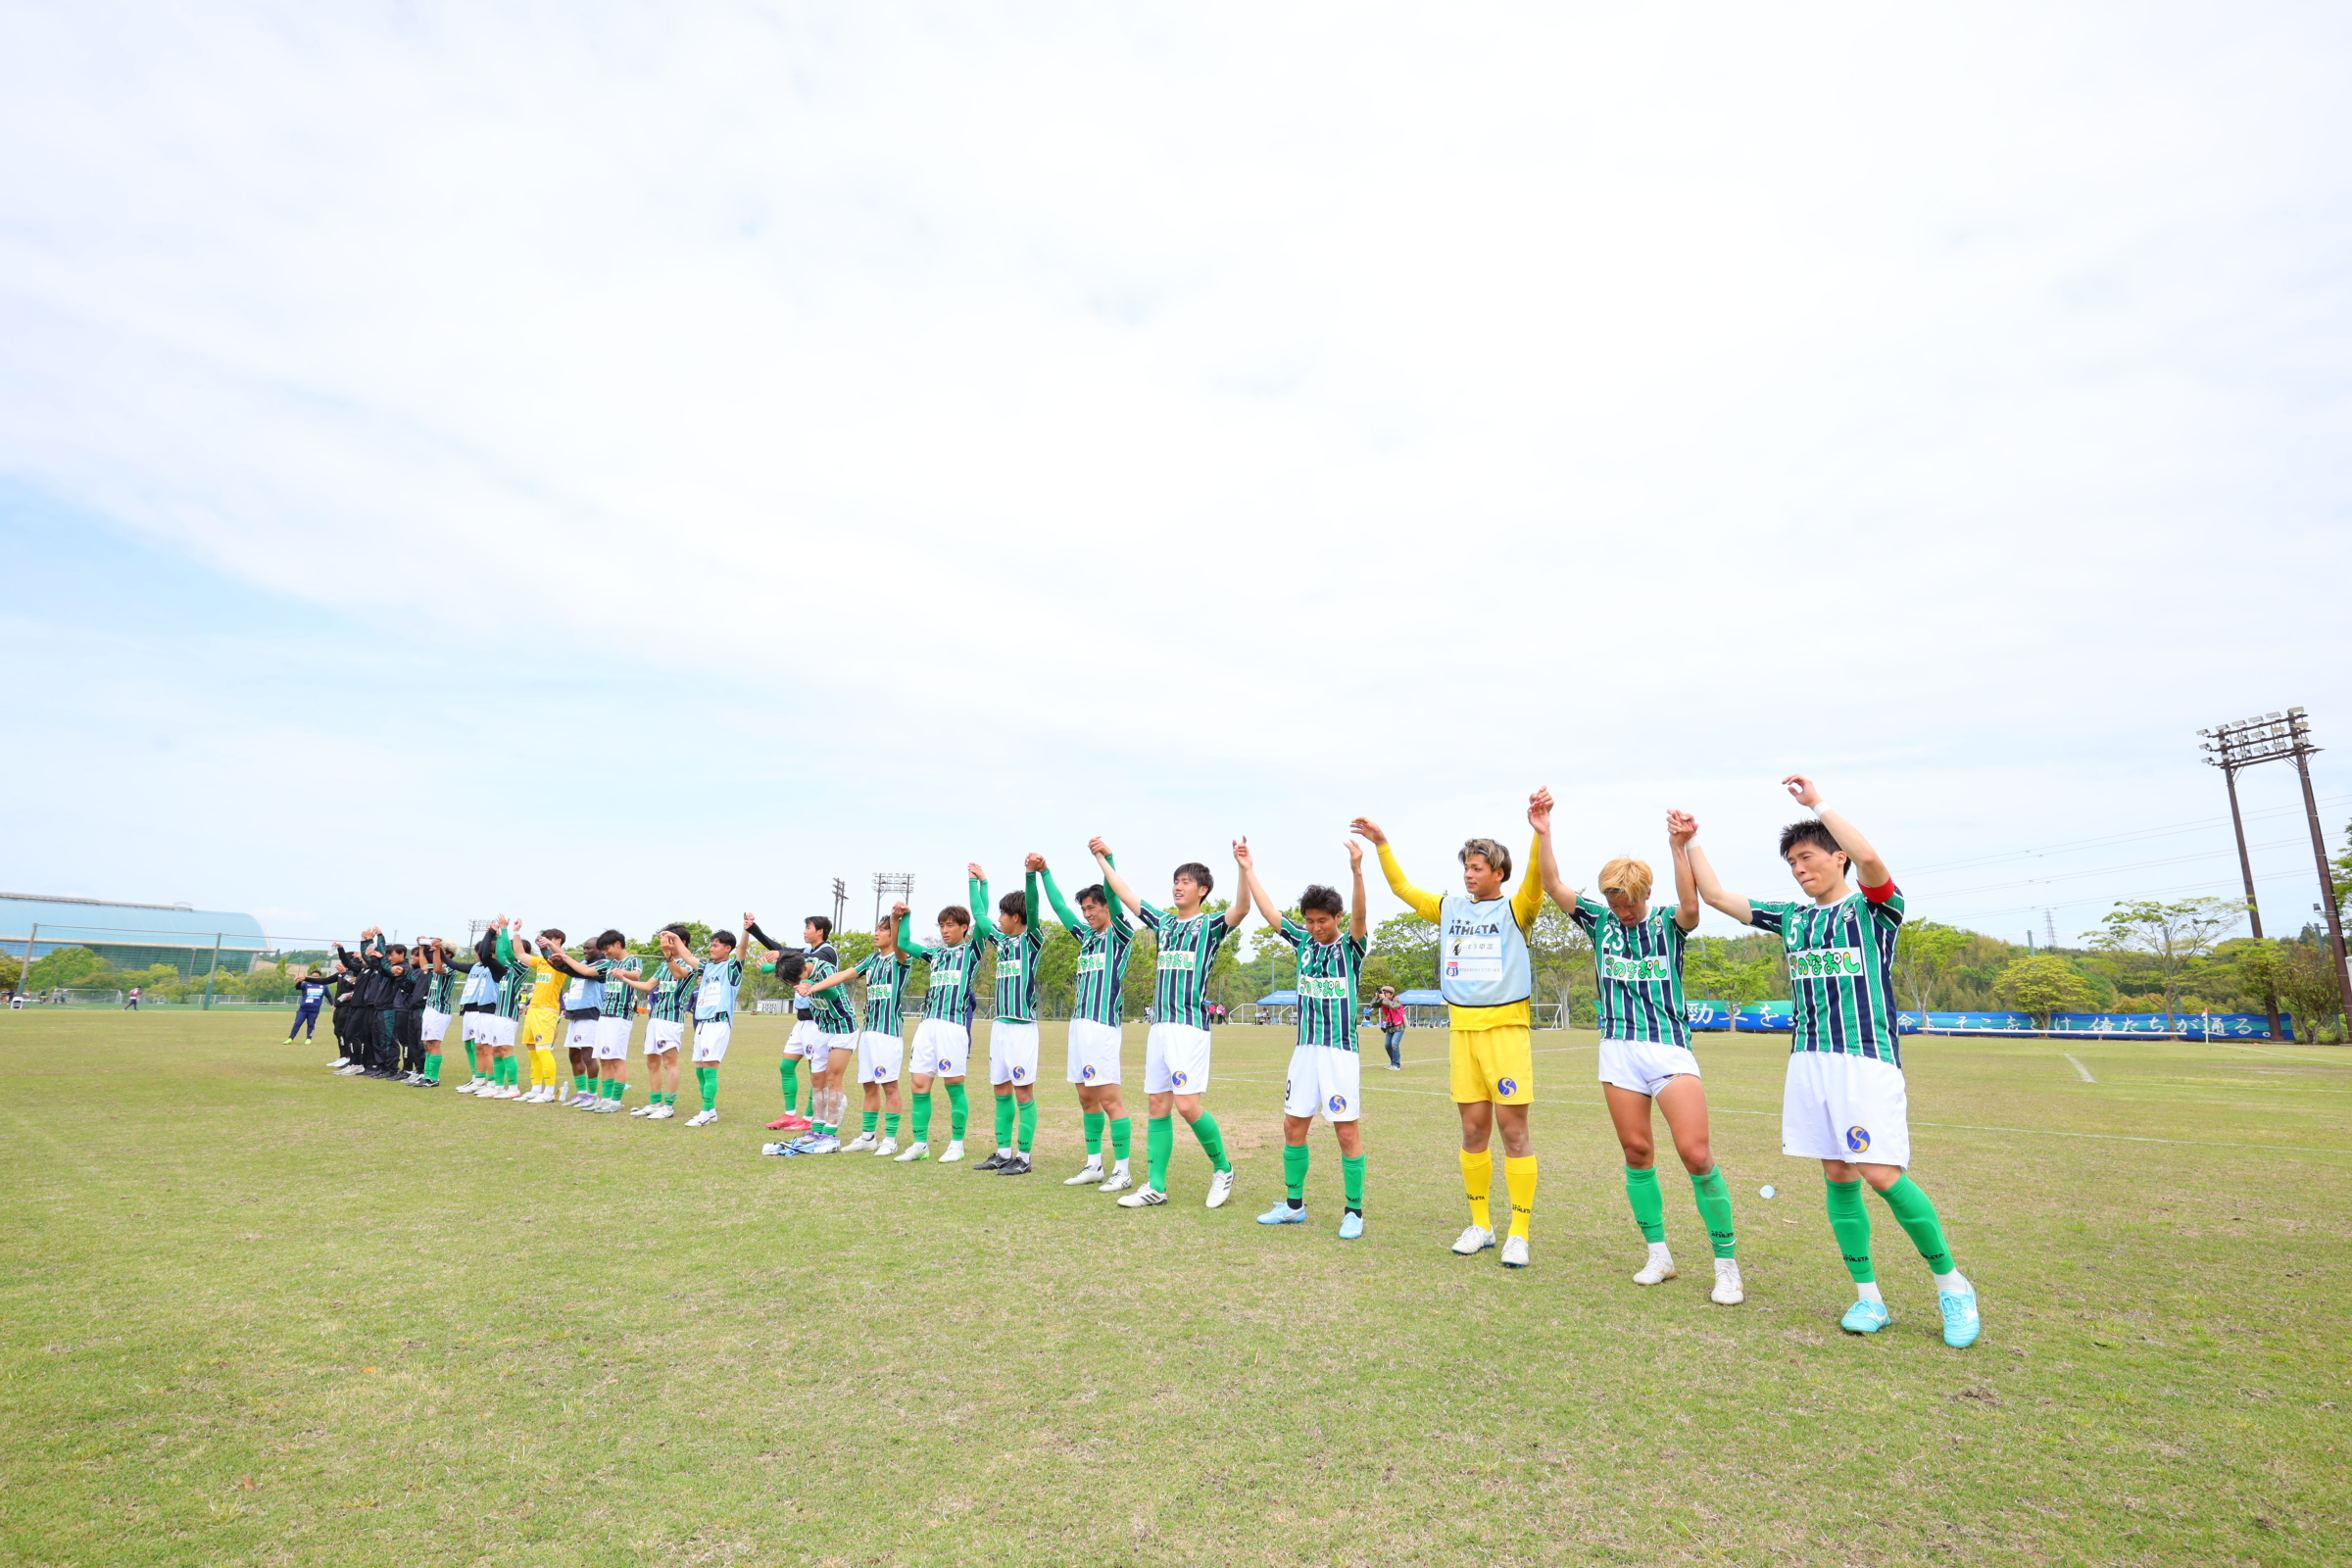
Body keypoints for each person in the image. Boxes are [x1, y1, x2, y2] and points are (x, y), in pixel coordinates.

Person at [1683, 775, 1981, 1348]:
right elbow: (1717, 896)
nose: (1799, 869)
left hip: (1865, 1060)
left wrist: (1816, 804)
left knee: (1880, 1172)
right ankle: (1869, 1296)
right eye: (1792, 862)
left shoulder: (1875, 911)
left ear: (1836, 857)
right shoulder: (1794, 919)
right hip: (1809, 1061)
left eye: (1808, 857)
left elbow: (1871, 857)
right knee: (1838, 1173)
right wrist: (1691, 840)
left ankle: (1951, 1284)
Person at [1530, 788, 1741, 1304]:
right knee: (1637, 1151)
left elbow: (1692, 904)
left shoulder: (1670, 924)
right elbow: (1553, 883)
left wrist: (1678, 846)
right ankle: (1658, 1254)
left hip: (1669, 1050)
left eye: (1628, 902)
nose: (1621, 910)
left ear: (1644, 894)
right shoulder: (1599, 922)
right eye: (1614, 902)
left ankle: (1727, 1265)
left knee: (1695, 1155)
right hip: (1618, 1051)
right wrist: (1543, 832)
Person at [1351, 813, 1544, 1268]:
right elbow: (1402, 889)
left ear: (1499, 873)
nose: (1469, 874)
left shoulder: (1519, 909)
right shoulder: (1450, 909)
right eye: (1466, 867)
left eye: (1478, 867)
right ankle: (1482, 1225)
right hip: (1463, 1035)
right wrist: (1382, 844)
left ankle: (1520, 1231)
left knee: (1514, 1133)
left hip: (1506, 1034)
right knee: (1473, 1131)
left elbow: (1536, 879)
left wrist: (1541, 831)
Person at [1089, 836, 1252, 1210]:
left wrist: (1244, 870)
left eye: (1186, 882)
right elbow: (1125, 893)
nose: (1178, 886)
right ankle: (1156, 1186)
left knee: (1188, 1106)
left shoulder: (1210, 926)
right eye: (1175, 881)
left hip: (1189, 1027)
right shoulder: (1163, 922)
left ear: (1203, 890)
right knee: (1157, 1104)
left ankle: (1223, 1168)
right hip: (1159, 1027)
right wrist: (1102, 858)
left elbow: (1242, 909)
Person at [1238, 839, 1371, 1239]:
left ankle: (1354, 1211)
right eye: (1310, 920)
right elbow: (1269, 912)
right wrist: (1248, 869)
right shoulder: (1303, 944)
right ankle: (1294, 1205)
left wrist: (1357, 870)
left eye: (1322, 921)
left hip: (1340, 1053)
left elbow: (1362, 915)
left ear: (1337, 917)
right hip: (1305, 1051)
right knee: (1293, 1126)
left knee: (1345, 1130)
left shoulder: (1352, 947)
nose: (1315, 927)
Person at [1034, 851, 1137, 1194]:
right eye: (1085, 909)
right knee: (1085, 1097)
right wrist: (1045, 872)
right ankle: (1094, 1164)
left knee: (1109, 1099)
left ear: (1107, 907)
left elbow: (1116, 893)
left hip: (1102, 1025)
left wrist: (1105, 858)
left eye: (1093, 907)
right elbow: (1061, 907)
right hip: (1079, 1025)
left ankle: (1123, 1171)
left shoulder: (1119, 933)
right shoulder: (1087, 937)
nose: (1088, 913)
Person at [799, 908, 913, 1154]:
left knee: (890, 1086)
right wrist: (812, 986)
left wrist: (896, 920)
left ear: (894, 934)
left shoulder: (901, 959)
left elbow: (901, 946)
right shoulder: (871, 960)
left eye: (883, 929)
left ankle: (890, 1140)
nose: (877, 933)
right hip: (868, 1031)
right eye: (878, 928)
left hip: (888, 1032)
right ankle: (868, 1137)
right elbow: (842, 975)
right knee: (869, 1086)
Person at [966, 860, 1044, 1174]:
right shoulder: (1002, 941)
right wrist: (978, 882)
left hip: (1022, 1028)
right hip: (1000, 1026)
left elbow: (1035, 907)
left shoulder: (1032, 940)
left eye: (1003, 914)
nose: (998, 919)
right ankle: (1002, 1152)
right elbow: (980, 916)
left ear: (1016, 918)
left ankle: (1023, 1158)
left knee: (1023, 1092)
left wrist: (1030, 875)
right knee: (1000, 1089)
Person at [895, 905, 984, 1164]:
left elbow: (982, 917)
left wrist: (979, 882)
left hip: (953, 1027)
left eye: (950, 925)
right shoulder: (934, 955)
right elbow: (902, 942)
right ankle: (920, 1144)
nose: (945, 930)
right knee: (919, 1085)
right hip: (927, 1026)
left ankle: (957, 1144)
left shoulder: (972, 951)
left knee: (954, 1086)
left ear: (964, 927)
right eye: (941, 925)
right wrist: (906, 915)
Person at [744, 913, 835, 1133]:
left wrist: (780, 956)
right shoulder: (807, 951)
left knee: (816, 1072)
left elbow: (794, 957)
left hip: (818, 1021)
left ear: (820, 931)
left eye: (808, 927)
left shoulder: (827, 951)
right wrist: (754, 929)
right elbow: (779, 948)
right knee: (786, 1066)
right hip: (801, 1021)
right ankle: (790, 1115)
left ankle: (810, 1117)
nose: (805, 931)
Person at [615, 926, 698, 1119]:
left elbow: (678, 974)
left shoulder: (692, 963)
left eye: (667, 938)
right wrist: (624, 977)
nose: (663, 942)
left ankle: (668, 1107)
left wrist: (667, 954)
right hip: (655, 1018)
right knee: (652, 1061)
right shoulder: (663, 965)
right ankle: (654, 1103)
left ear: (681, 941)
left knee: (670, 1062)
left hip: (671, 1019)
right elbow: (647, 986)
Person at [678, 929, 744, 1127]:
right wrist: (674, 939)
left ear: (727, 948)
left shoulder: (732, 967)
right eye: (712, 944)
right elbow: (688, 956)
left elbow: (744, 949)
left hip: (718, 1022)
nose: (711, 948)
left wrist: (747, 929)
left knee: (709, 1069)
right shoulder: (706, 967)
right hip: (701, 1024)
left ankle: (705, 1112)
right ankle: (711, 1110)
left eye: (716, 945)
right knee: (700, 1069)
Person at [452, 941, 501, 1094]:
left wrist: (493, 934)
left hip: (491, 1012)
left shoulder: (496, 967)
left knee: (489, 1049)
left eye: (478, 951)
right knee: (479, 1047)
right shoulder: (479, 968)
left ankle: (493, 1083)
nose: (475, 954)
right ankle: (479, 1081)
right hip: (480, 1011)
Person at [287, 968, 329, 1045]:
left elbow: (329, 996)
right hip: (303, 1009)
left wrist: (333, 1004)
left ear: (320, 977)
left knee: (311, 1024)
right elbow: (297, 987)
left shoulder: (324, 986)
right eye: (312, 976)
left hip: (314, 1009)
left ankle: (308, 1039)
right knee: (297, 1023)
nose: (314, 978)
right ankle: (290, 1038)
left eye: (316, 976)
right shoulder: (306, 984)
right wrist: (300, 981)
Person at [1376, 987, 1405, 1070]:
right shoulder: (1383, 1000)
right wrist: (1376, 997)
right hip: (1390, 1026)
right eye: (1383, 992)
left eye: (1386, 992)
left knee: (1394, 1044)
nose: (1384, 994)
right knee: (1387, 1045)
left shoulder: (1397, 1000)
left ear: (1391, 994)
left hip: (1399, 1026)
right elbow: (1373, 1005)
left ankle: (1396, 1065)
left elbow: (1394, 1006)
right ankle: (1393, 1063)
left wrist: (1384, 999)